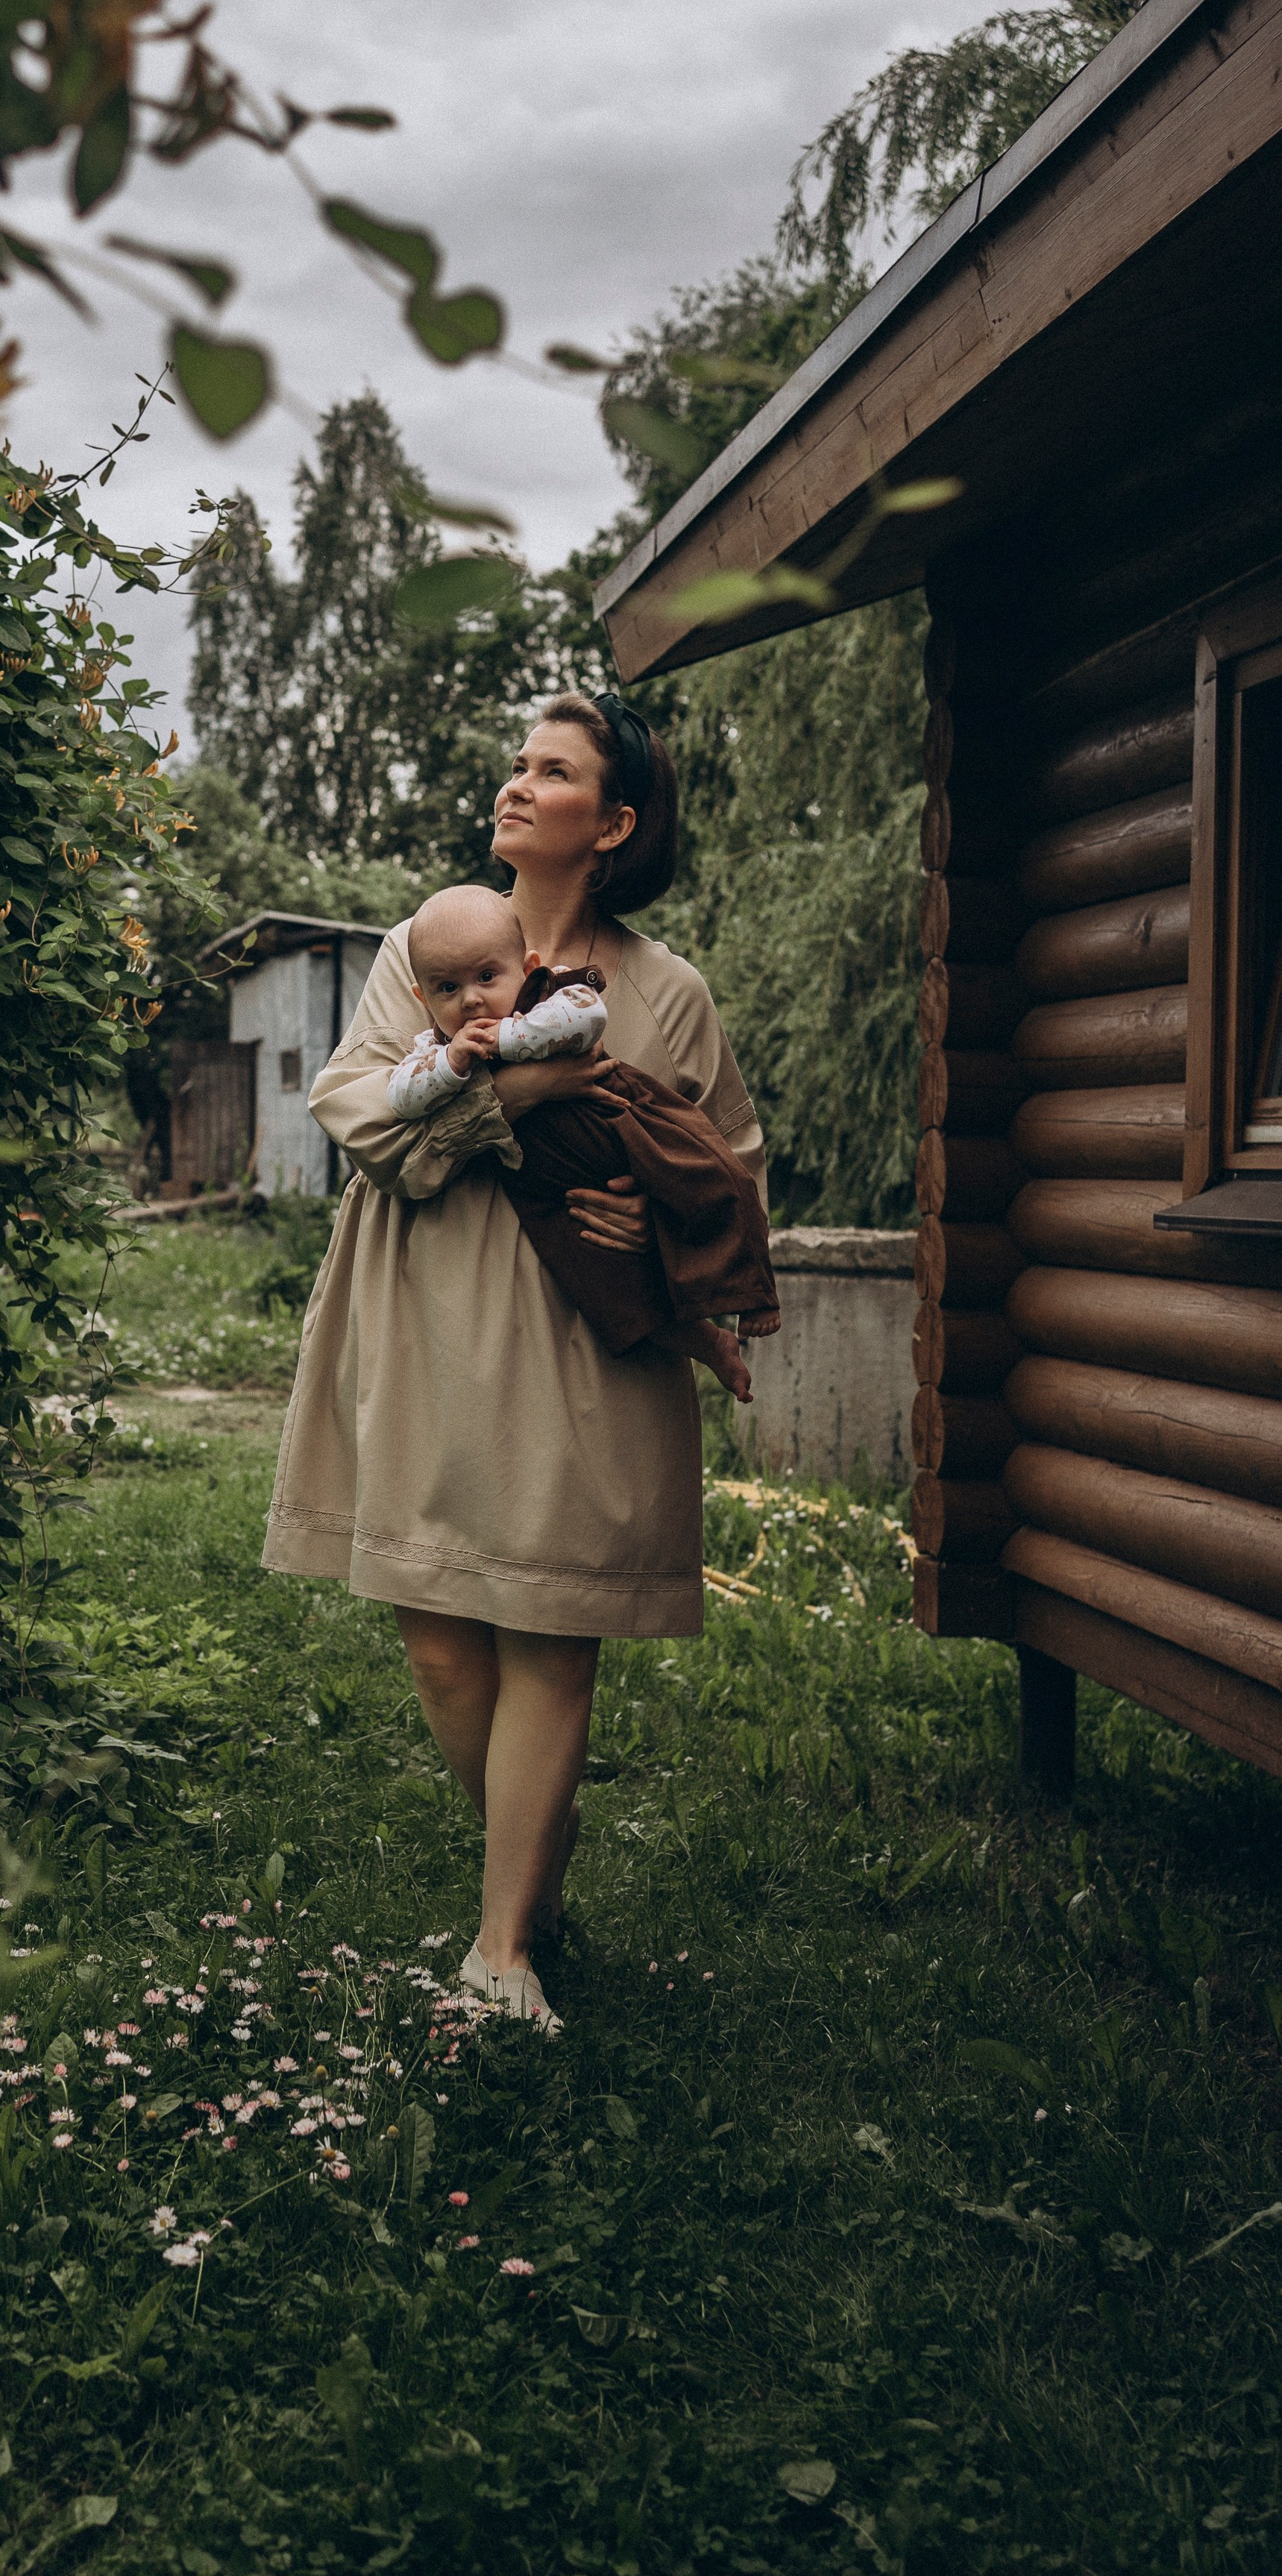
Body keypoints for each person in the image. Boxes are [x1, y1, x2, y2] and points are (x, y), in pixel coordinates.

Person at [261, 692, 770, 2029]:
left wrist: (648, 1226)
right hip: (424, 1312)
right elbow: (366, 1120)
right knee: (440, 1642)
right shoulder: (424, 944)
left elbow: (732, 1174)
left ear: (611, 824)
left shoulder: (666, 993)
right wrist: (512, 1098)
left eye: (552, 772)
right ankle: (534, 1858)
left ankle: (502, 1952)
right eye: (518, 763)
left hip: (583, 1345)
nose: (516, 783)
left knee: (549, 1627)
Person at [387, 882, 779, 1394]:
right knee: (593, 1281)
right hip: (544, 1180)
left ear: (526, 968)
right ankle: (704, 1342)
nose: (473, 999)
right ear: (422, 998)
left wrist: (507, 1038)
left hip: (619, 1125)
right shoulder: (436, 1047)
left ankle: (752, 1290)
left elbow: (587, 1016)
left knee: (702, 1175)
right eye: (447, 989)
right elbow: (401, 1097)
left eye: (487, 977)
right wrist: (453, 1062)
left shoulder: (547, 996)